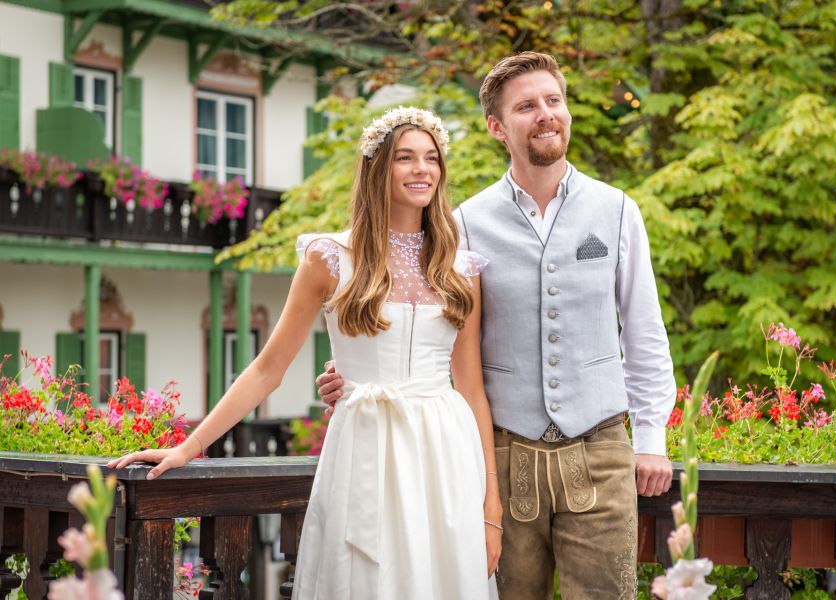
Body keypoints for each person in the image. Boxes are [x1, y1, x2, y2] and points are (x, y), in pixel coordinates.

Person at [316, 53, 677, 599]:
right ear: (497, 127)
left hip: (601, 451)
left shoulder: (618, 209)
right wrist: (355, 373)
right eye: (527, 106)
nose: (546, 114)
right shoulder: (462, 225)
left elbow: (646, 334)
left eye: (554, 101)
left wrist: (651, 437)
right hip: (502, 460)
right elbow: (424, 327)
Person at [108, 107, 502, 600]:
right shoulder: (329, 257)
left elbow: (471, 388)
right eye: (406, 158)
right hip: (365, 445)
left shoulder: (460, 267)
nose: (422, 169)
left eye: (431, 158)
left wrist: (492, 507)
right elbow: (267, 370)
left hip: (444, 452)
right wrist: (190, 446)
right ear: (378, 168)